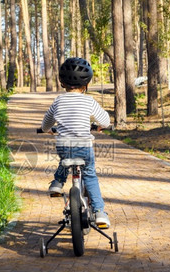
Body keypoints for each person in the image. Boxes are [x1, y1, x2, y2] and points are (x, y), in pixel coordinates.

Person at [40, 57, 111, 229]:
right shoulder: (89, 101)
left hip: (64, 145)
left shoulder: (58, 101)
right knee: (90, 175)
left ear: (62, 83)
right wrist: (101, 126)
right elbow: (105, 121)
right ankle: (100, 212)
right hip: (84, 146)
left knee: (65, 160)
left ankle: (57, 183)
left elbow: (46, 123)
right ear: (86, 83)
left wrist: (47, 129)